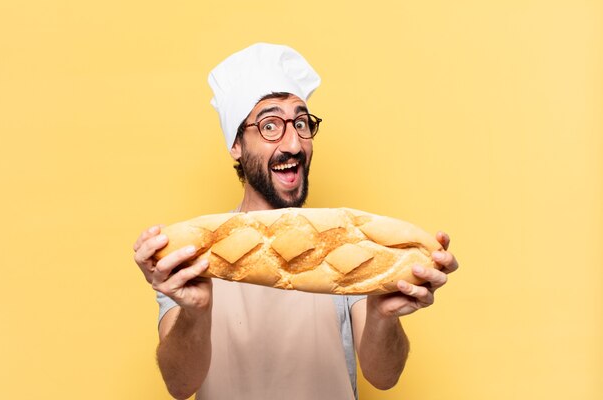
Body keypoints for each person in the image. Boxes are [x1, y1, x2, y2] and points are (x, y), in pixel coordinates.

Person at [133, 43, 459, 400]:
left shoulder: (345, 244)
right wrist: (195, 312)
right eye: (270, 125)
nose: (293, 143)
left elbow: (383, 377)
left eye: (301, 123)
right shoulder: (192, 254)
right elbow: (180, 385)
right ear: (236, 144)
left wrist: (384, 316)